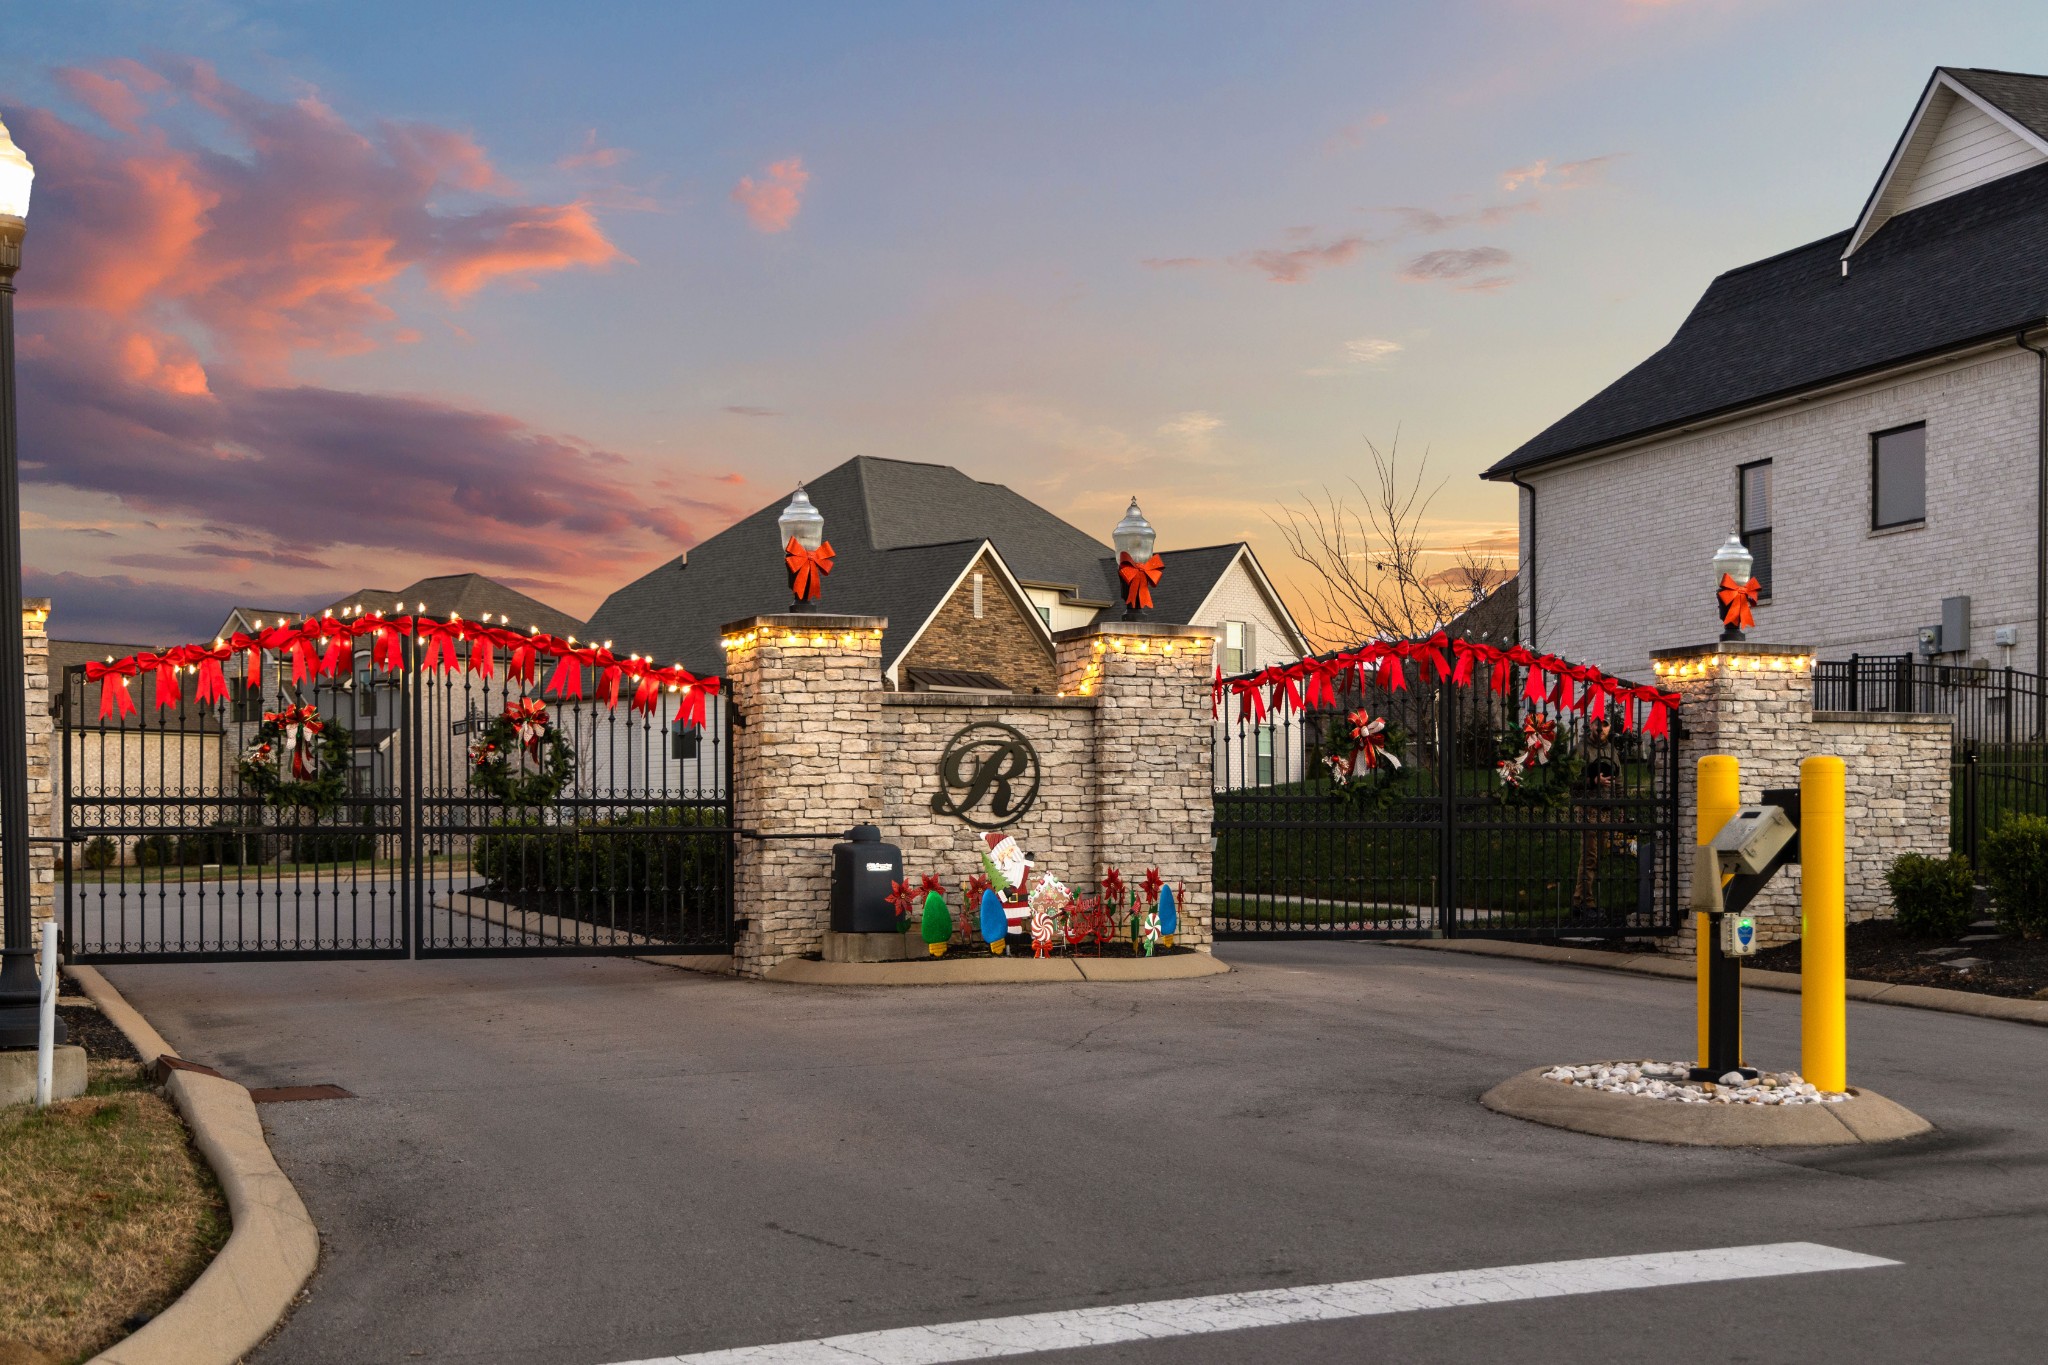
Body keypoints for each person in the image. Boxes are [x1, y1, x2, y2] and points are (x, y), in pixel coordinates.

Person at [1570, 714, 1626, 917]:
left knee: (1597, 856)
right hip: (1588, 809)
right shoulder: (1581, 749)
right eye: (1597, 723)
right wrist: (1593, 781)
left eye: (1605, 724)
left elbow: (1618, 780)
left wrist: (1620, 807)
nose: (1601, 728)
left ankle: (1579, 900)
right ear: (1590, 725)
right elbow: (1571, 779)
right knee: (1589, 856)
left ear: (1609, 728)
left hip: (1606, 809)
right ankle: (1586, 903)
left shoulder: (1611, 750)